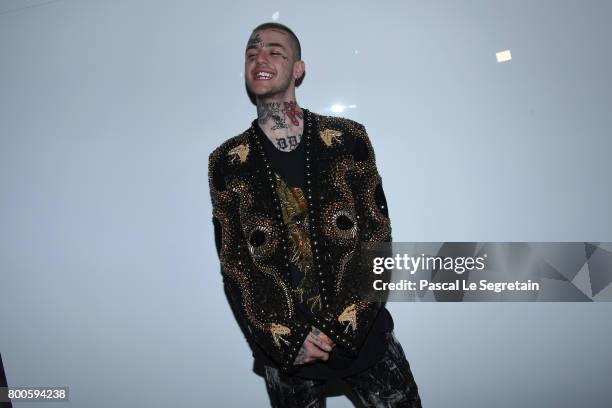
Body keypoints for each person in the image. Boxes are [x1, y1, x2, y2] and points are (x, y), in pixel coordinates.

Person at [208, 21, 422, 407]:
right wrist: (286, 340)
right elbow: (234, 264)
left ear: (298, 69)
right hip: (287, 350)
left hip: (364, 335)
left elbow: (377, 236)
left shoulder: (346, 139)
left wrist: (349, 323)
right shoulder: (226, 162)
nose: (261, 57)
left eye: (276, 51)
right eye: (252, 52)